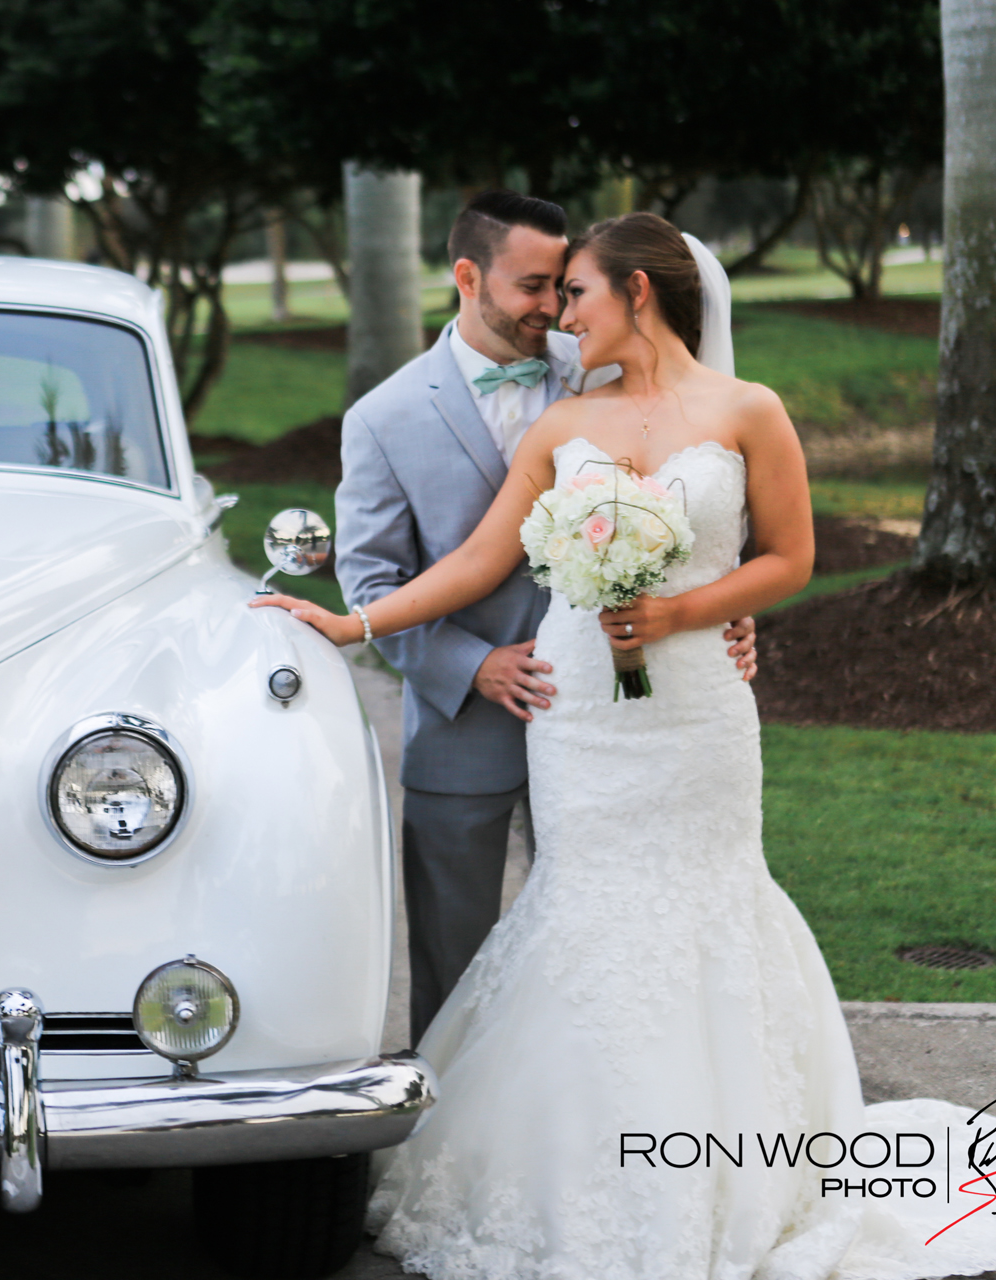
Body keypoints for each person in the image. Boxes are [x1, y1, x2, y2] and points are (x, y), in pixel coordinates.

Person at [261, 212, 996, 1278]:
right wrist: (351, 623)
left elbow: (791, 556)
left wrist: (689, 614)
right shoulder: (562, 427)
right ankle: (589, 1161)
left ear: (637, 293)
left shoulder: (749, 410)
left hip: (697, 712)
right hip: (582, 713)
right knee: (588, 912)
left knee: (710, 899)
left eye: (579, 294)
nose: (560, 316)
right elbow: (473, 561)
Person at [332, 190, 756, 1043]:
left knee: (622, 933)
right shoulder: (381, 418)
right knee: (456, 958)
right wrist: (468, 664)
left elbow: (702, 509)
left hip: (624, 713)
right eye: (533, 286)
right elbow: (371, 578)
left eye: (566, 285)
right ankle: (455, 1128)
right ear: (467, 276)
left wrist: (716, 614)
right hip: (466, 724)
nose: (554, 309)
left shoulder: (607, 364)